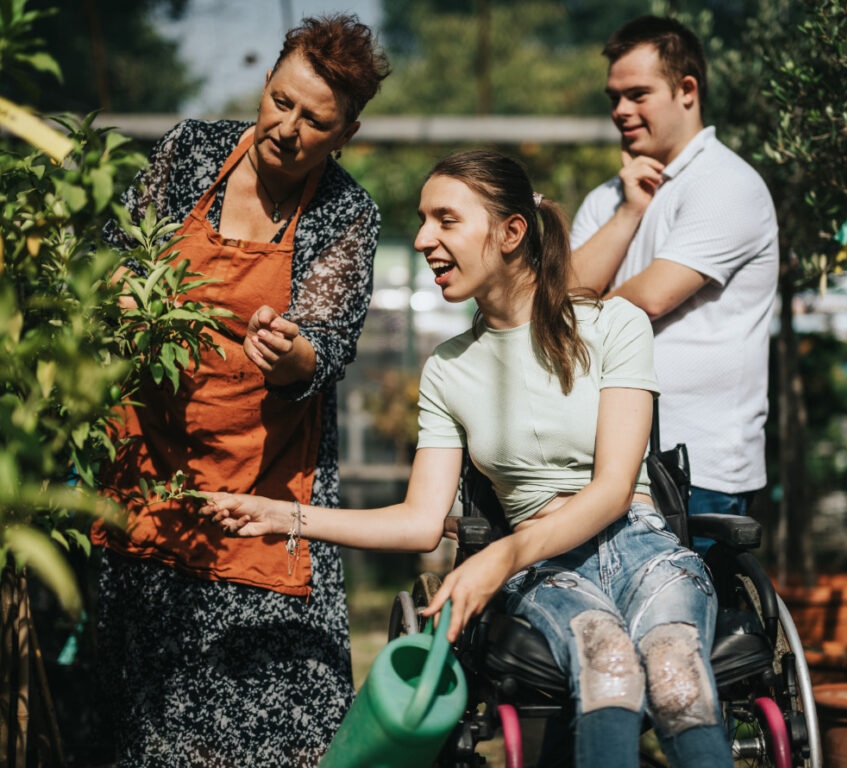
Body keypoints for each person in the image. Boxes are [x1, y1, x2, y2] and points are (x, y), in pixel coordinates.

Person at [201, 151, 733, 768]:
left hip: (640, 543)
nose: (425, 239)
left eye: (446, 220)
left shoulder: (615, 324)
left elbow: (614, 489)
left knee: (676, 675)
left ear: (511, 233)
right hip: (548, 570)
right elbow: (421, 522)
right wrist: (282, 515)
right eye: (424, 220)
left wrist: (501, 555)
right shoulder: (448, 369)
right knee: (607, 664)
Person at [92, 15, 390, 766]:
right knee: (143, 727)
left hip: (259, 495)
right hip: (148, 475)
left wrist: (289, 355)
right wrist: (123, 289)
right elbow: (112, 251)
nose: (287, 128)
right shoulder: (191, 152)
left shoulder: (346, 213)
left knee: (278, 731)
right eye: (281, 101)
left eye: (314, 119)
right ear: (266, 85)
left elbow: (325, 347)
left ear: (345, 131)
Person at [570, 16, 779, 550]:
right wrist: (627, 213)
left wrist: (582, 304)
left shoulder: (727, 184)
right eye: (614, 97)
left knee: (682, 628)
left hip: (699, 468)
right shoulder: (607, 199)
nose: (620, 110)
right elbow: (566, 292)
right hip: (605, 461)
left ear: (687, 90)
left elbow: (652, 296)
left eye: (637, 94)